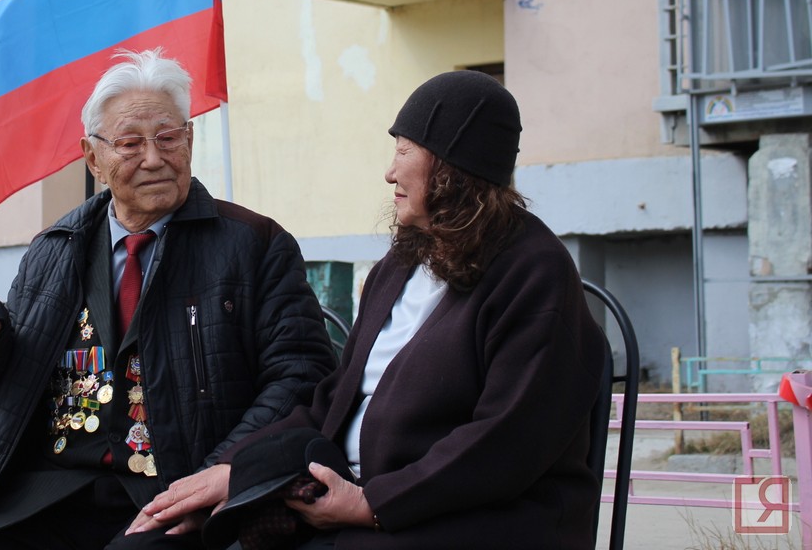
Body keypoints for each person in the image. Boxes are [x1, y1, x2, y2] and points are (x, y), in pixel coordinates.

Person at [130, 70, 607, 549]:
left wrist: (372, 504)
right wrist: (236, 470)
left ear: (451, 166)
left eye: (404, 151)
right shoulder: (402, 263)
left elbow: (507, 443)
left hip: (470, 518)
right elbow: (332, 400)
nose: (390, 172)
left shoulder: (534, 273)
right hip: (357, 496)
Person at [0, 48, 336, 550]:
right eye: (129, 143)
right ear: (92, 158)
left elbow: (301, 377)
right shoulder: (54, 250)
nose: (153, 158)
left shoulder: (255, 245)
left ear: (189, 141)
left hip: (178, 494)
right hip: (52, 494)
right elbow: (8, 395)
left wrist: (223, 471)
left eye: (168, 138)